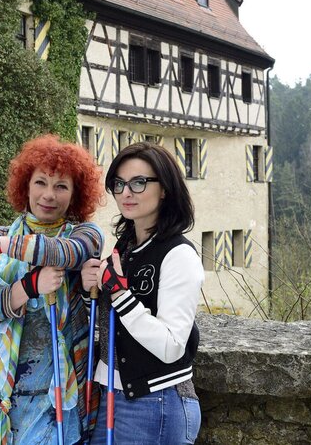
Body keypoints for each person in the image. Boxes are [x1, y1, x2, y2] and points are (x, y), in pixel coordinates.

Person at [0, 135, 105, 445]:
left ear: (76, 194)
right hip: (0, 392)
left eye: (61, 186)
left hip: (60, 398)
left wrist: (2, 246)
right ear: (25, 186)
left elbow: (64, 253)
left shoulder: (84, 235)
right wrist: (31, 286)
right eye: (40, 182)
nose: (49, 195)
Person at [81, 142, 204, 444]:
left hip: (155, 400)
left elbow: (172, 346)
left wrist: (120, 294)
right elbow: (110, 324)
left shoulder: (179, 254)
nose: (126, 192)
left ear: (164, 189)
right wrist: (90, 291)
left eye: (138, 182)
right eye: (119, 184)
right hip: (111, 394)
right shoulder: (126, 248)